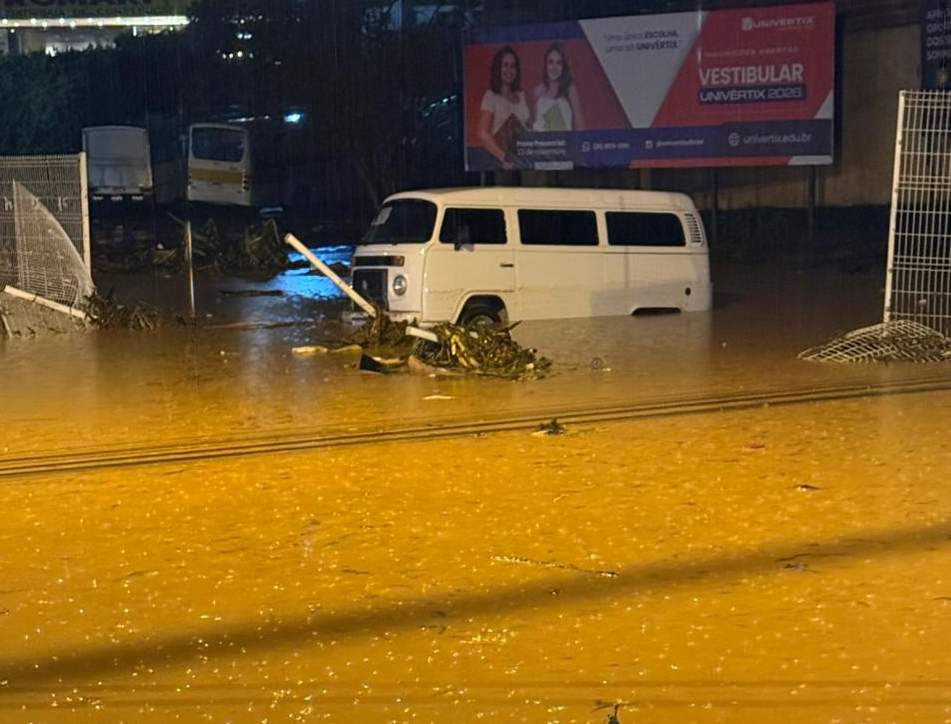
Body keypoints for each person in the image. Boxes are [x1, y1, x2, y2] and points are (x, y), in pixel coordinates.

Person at [477, 45, 530, 167]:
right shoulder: (491, 96)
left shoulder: (522, 95)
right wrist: (504, 158)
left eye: (513, 66)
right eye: (505, 65)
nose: (509, 70)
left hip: (525, 160)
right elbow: (482, 133)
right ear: (498, 68)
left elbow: (527, 126)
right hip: (503, 163)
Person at [532, 42, 584, 132]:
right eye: (551, 62)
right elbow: (534, 125)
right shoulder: (538, 92)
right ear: (546, 65)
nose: (554, 67)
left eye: (558, 63)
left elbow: (580, 127)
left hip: (565, 140)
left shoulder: (570, 90)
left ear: (564, 66)